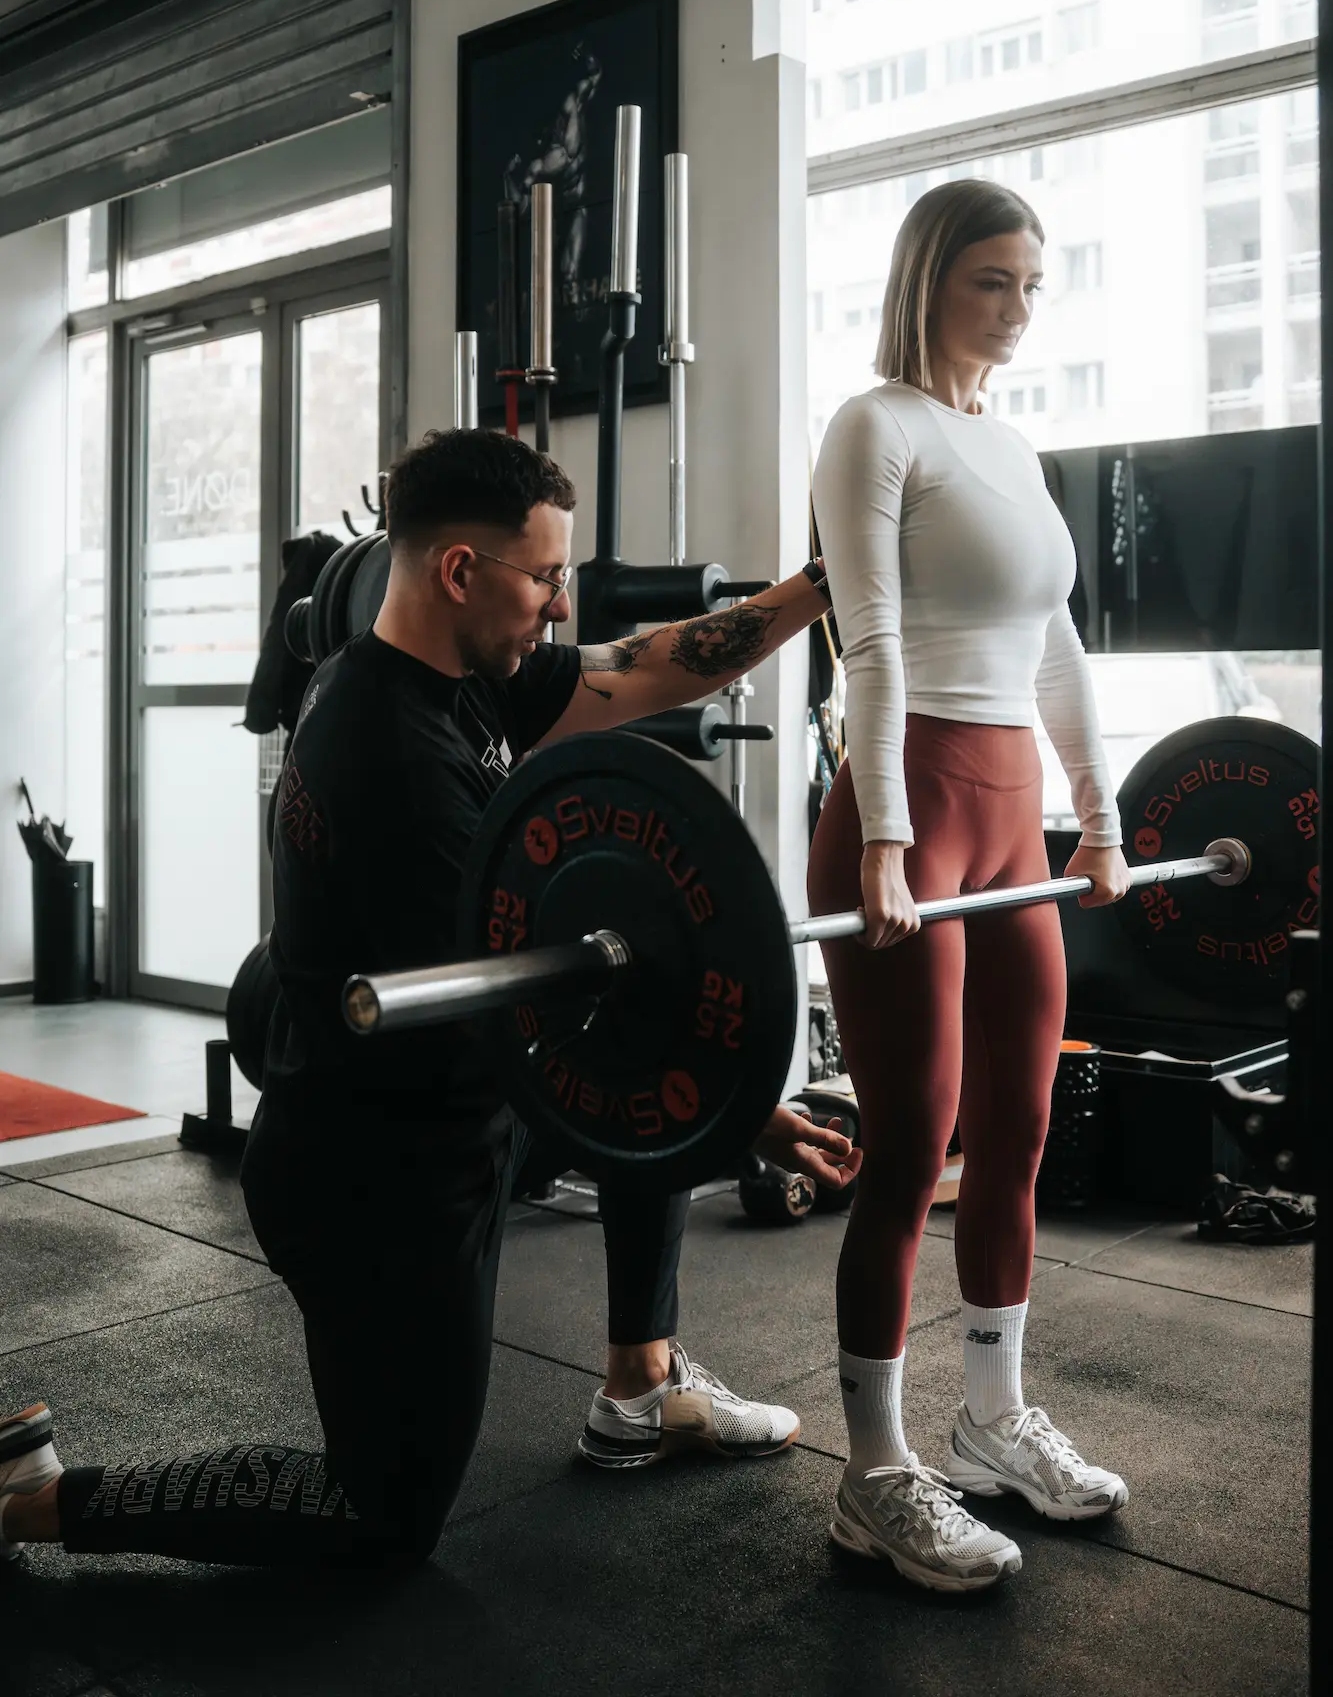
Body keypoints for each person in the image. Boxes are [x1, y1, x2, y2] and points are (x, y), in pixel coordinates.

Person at [1, 427, 857, 1568]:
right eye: (546, 578)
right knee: (383, 1515)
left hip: (451, 1110)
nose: (560, 606)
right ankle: (40, 1494)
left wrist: (821, 581)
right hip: (372, 1182)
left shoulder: (450, 676)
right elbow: (533, 1025)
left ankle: (640, 1384)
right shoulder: (395, 758)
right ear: (461, 571)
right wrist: (736, 1106)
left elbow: (648, 664)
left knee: (636, 1035)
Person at [808, 179, 1132, 1595]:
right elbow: (868, 643)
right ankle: (873, 1472)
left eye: (1030, 285)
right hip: (912, 809)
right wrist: (882, 840)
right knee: (909, 1140)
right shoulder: (872, 426)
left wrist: (1097, 816)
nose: (1015, 307)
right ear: (929, 277)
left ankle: (992, 1418)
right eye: (991, 280)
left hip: (1009, 822)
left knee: (1019, 1120)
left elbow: (1055, 647)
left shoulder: (1011, 448)